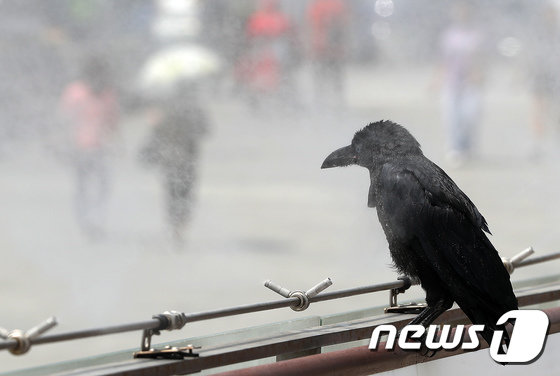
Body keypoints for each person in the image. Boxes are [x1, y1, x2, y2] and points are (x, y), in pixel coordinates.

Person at [59, 57, 120, 240]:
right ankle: (92, 221)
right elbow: (113, 122)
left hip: (88, 147)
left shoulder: (77, 92)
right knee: (95, 186)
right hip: (91, 147)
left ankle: (89, 221)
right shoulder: (100, 93)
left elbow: (64, 117)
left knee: (90, 186)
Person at [139, 87, 208, 247]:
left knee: (172, 193)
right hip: (186, 159)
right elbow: (206, 130)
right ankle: (179, 226)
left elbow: (155, 132)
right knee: (185, 193)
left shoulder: (163, 109)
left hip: (170, 159)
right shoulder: (193, 109)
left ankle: (175, 225)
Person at [438, 3, 485, 166]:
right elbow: (443, 59)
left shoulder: (477, 35)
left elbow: (483, 58)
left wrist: (480, 74)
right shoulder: (449, 35)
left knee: (470, 115)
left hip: (471, 83)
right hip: (452, 82)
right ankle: (454, 148)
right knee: (452, 116)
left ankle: (466, 145)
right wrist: (436, 79)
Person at [307, 0, 349, 112]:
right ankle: (339, 106)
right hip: (335, 51)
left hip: (320, 50)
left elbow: (310, 27)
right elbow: (344, 27)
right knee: (336, 82)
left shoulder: (316, 5)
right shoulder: (339, 5)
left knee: (320, 82)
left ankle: (320, 106)